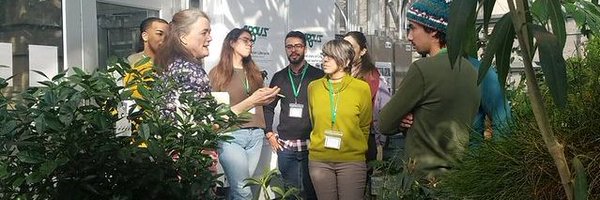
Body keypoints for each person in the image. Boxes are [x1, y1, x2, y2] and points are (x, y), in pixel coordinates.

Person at [153, 10, 279, 198]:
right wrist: (251, 101)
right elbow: (205, 125)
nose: (210, 38)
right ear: (183, 37)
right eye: (204, 32)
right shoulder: (190, 70)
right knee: (242, 190)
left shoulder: (172, 65)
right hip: (191, 160)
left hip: (177, 157)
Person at [378, 0, 481, 180]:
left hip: (422, 180)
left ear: (433, 30)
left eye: (412, 28)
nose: (409, 36)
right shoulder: (472, 72)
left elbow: (385, 123)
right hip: (458, 179)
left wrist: (402, 120)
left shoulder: (422, 69)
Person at [208, 28, 276, 200]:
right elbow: (216, 112)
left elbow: (259, 103)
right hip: (231, 135)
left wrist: (268, 97)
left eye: (251, 41)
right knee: (242, 189)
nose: (250, 44)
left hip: (255, 135)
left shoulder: (255, 72)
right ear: (232, 42)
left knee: (240, 187)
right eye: (245, 40)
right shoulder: (217, 73)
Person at [307, 39, 372, 200]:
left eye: (331, 56)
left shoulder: (361, 88)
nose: (325, 60)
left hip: (351, 161)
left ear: (346, 61)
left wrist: (353, 148)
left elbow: (364, 126)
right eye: (324, 55)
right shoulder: (313, 87)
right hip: (319, 160)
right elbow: (314, 121)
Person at [263, 31, 323, 200]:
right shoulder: (279, 77)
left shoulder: (317, 76)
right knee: (290, 193)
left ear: (305, 48)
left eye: (297, 46)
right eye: (289, 46)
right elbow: (268, 107)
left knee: (312, 193)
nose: (293, 50)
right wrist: (268, 133)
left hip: (312, 145)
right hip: (286, 147)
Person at [124, 17, 168, 99]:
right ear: (145, 36)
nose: (164, 39)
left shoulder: (170, 64)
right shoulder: (133, 62)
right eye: (159, 34)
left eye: (167, 36)